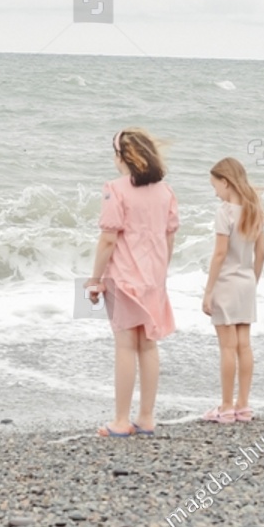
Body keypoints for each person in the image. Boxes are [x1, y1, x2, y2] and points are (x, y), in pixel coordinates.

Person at [86, 129, 179, 437]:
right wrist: (160, 272)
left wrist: (94, 279)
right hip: (154, 277)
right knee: (148, 346)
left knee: (125, 346)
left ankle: (121, 420)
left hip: (123, 278)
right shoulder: (165, 191)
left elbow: (108, 240)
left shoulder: (114, 189)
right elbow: (169, 236)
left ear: (122, 158)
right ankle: (147, 417)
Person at [200, 156, 264, 423]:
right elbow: (261, 253)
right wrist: (253, 280)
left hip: (226, 282)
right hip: (246, 281)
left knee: (227, 348)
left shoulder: (225, 212)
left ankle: (226, 407)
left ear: (225, 182)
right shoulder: (254, 210)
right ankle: (244, 405)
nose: (215, 192)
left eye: (215, 186)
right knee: (244, 346)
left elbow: (219, 254)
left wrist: (208, 291)